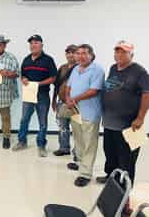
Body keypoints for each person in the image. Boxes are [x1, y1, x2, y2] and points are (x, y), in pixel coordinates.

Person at [97, 41, 149, 187]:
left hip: (128, 125)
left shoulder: (139, 72)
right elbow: (110, 88)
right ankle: (111, 177)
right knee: (110, 154)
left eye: (123, 52)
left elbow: (147, 94)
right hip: (109, 123)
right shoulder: (113, 68)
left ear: (131, 54)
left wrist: (140, 118)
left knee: (126, 159)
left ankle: (125, 188)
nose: (119, 54)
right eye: (117, 51)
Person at [65, 44, 105, 187]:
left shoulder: (97, 70)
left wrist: (75, 99)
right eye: (78, 53)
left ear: (91, 55)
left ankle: (85, 174)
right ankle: (82, 164)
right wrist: (68, 97)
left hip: (90, 112)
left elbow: (94, 91)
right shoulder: (76, 68)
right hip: (75, 111)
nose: (80, 56)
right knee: (79, 140)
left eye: (84, 53)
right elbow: (69, 86)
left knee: (89, 143)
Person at [13, 35, 57, 157]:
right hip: (28, 95)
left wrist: (39, 84)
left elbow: (53, 78)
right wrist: (24, 79)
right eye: (31, 43)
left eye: (36, 43)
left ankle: (41, 145)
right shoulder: (26, 59)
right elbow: (23, 75)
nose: (33, 45)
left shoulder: (48, 60)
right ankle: (22, 142)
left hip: (42, 95)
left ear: (41, 45)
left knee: (42, 122)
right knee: (24, 119)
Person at [52, 44, 77, 157]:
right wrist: (54, 100)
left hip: (76, 104)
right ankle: (64, 148)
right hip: (61, 102)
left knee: (77, 129)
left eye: (73, 52)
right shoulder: (62, 68)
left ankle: (78, 152)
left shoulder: (80, 68)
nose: (70, 54)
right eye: (68, 52)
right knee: (62, 127)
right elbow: (57, 85)